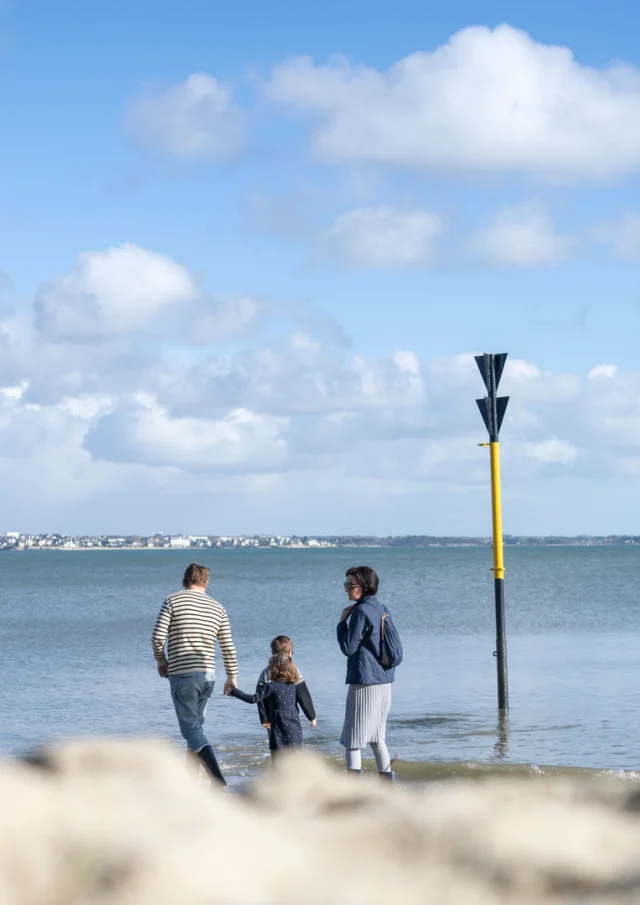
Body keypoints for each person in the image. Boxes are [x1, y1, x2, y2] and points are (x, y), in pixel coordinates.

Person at [152, 562, 238, 786]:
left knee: (191, 729)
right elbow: (228, 647)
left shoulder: (172, 600)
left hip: (183, 675)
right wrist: (232, 677)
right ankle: (188, 780)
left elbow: (157, 637)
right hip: (208, 675)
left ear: (184, 581)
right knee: (196, 728)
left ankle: (216, 778)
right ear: (206, 583)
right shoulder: (218, 608)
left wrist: (162, 660)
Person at [337, 565, 395, 780]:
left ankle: (353, 791)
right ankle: (387, 786)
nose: (346, 589)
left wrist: (342, 623)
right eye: (346, 584)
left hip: (364, 681)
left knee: (353, 740)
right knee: (377, 738)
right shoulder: (381, 607)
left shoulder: (360, 612)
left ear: (364, 586)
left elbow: (348, 648)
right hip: (385, 680)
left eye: (351, 585)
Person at [226, 653, 316, 755]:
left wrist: (234, 691)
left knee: (278, 760)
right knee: (295, 758)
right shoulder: (292, 685)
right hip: (295, 729)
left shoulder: (271, 686)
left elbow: (253, 699)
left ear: (275, 669)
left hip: (278, 730)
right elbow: (303, 699)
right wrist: (311, 716)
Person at [255, 635, 313, 733]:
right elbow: (303, 695)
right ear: (290, 654)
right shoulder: (294, 671)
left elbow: (260, 698)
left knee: (275, 744)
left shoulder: (266, 673)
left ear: (273, 653)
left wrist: (264, 718)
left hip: (272, 718)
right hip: (291, 717)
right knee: (293, 742)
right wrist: (311, 716)